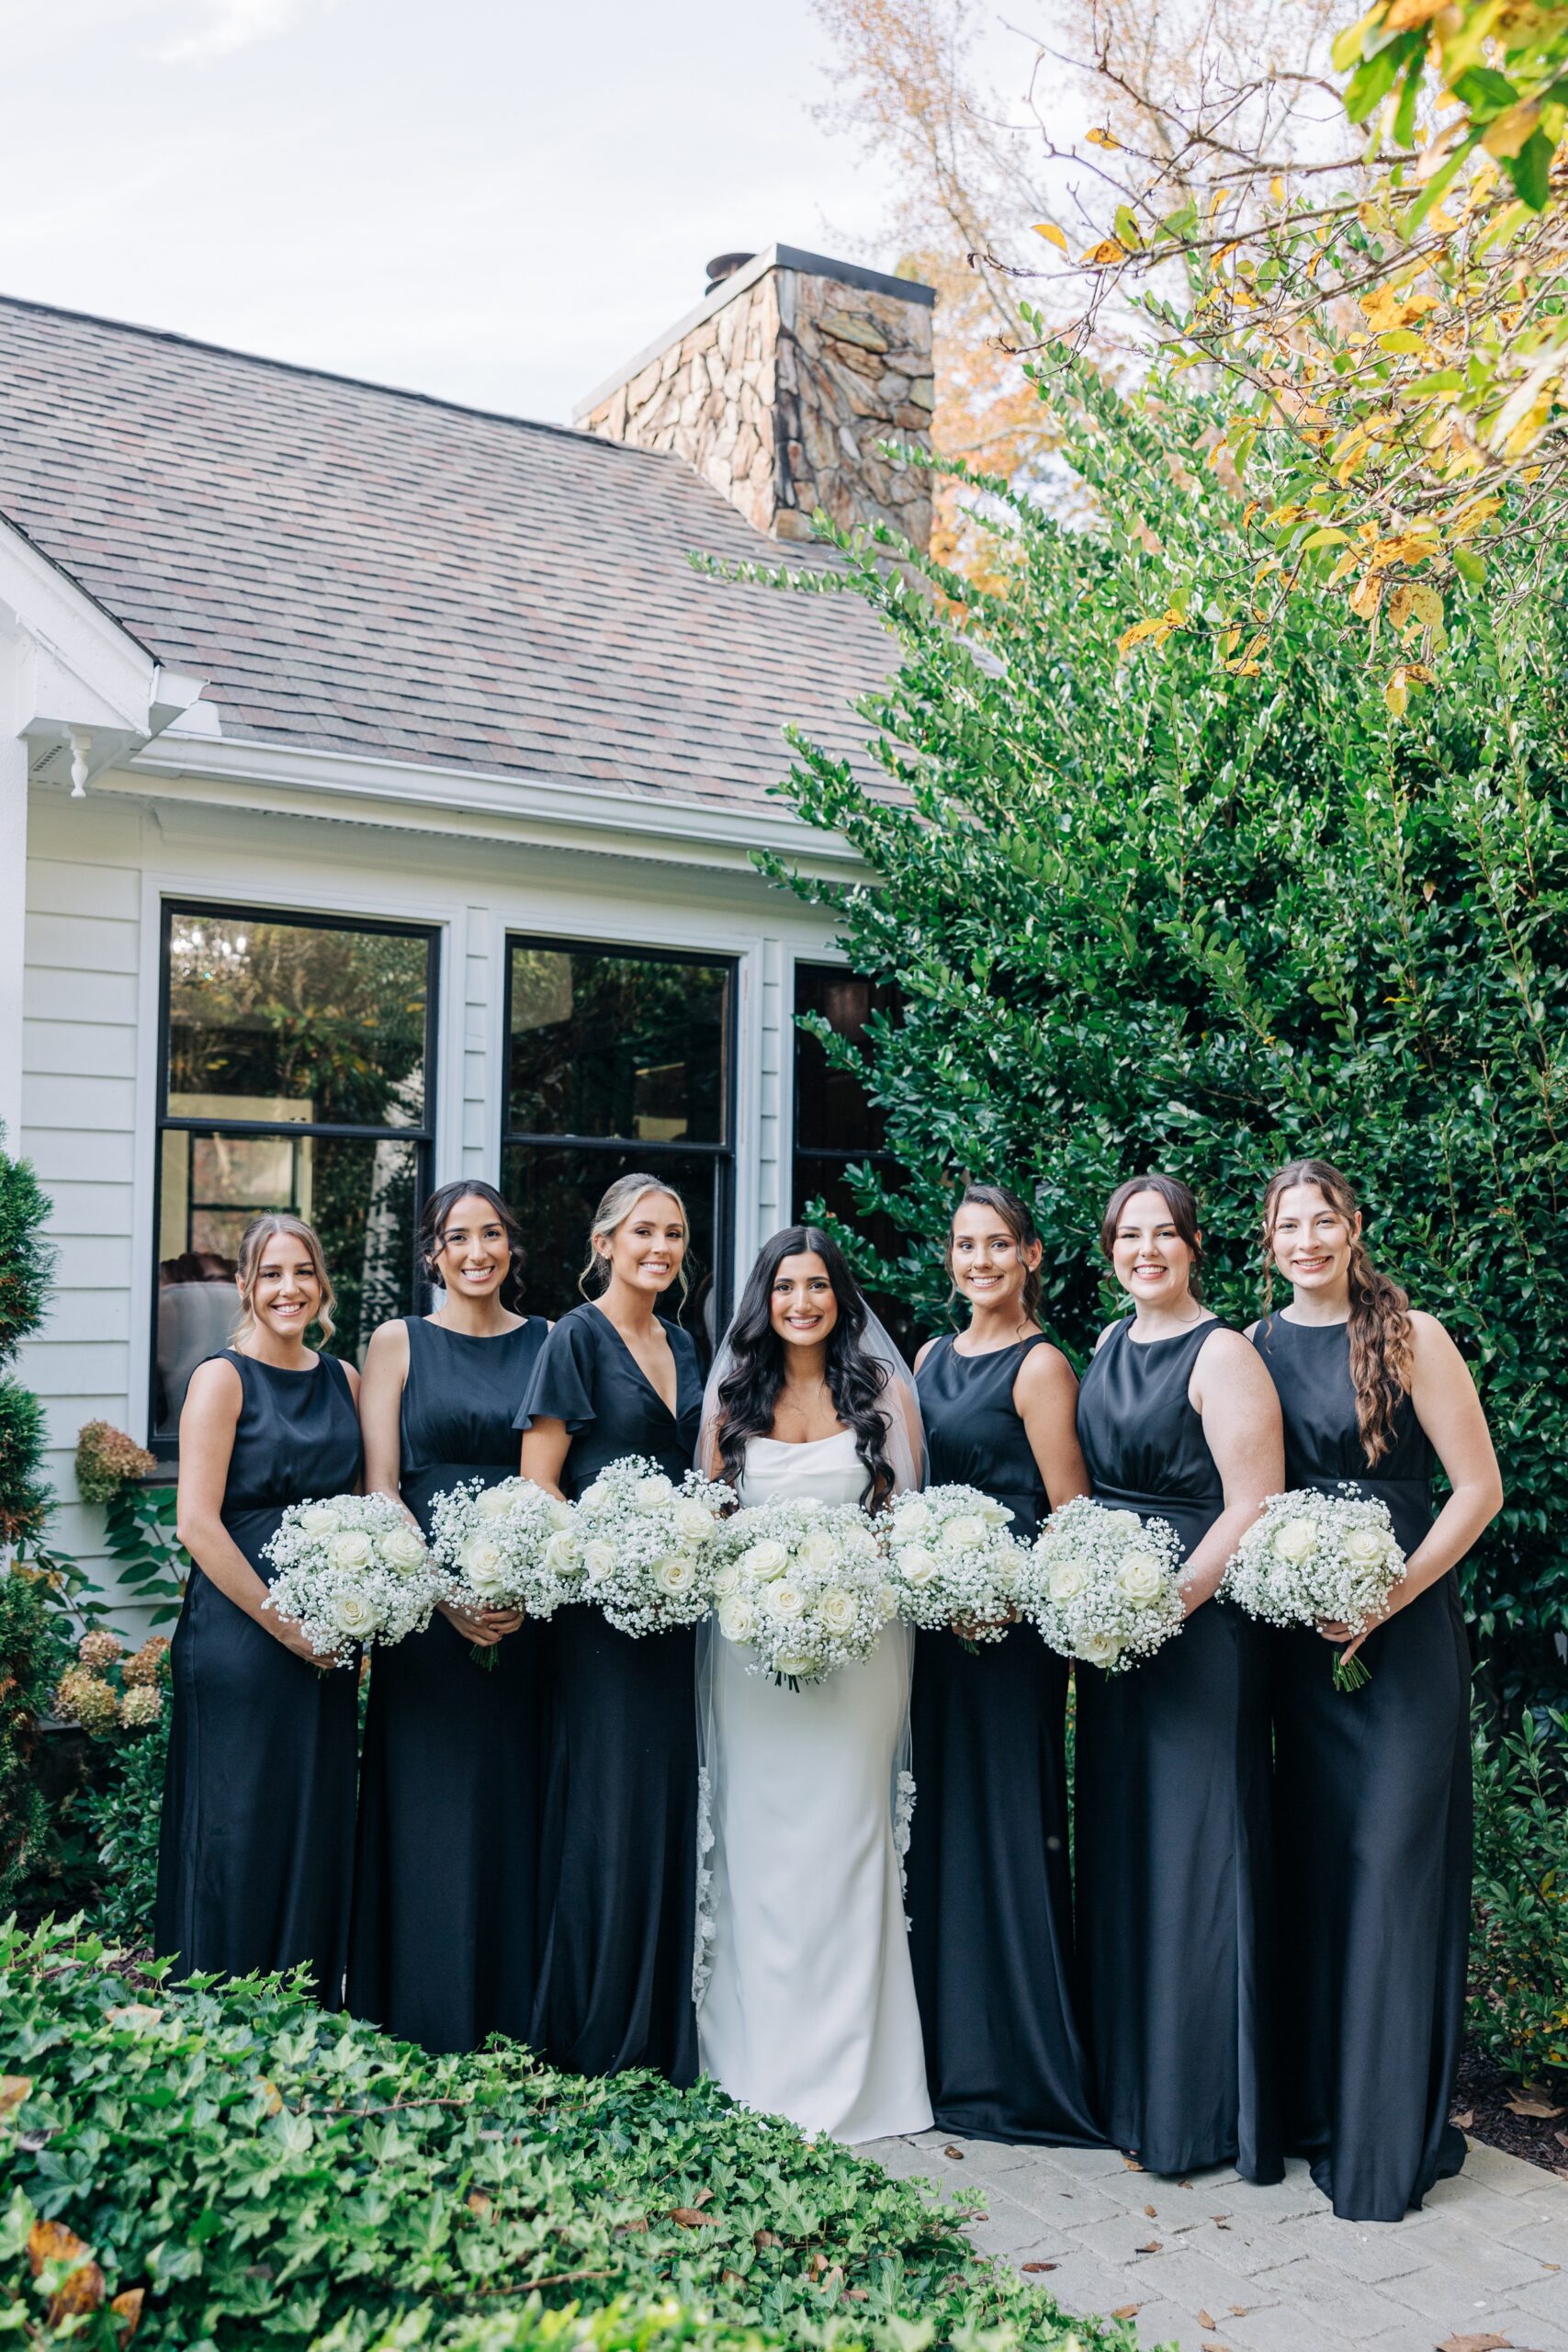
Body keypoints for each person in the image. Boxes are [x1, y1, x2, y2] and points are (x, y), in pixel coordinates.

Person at [1251, 1159, 1503, 2221]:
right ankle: (1318, 2108)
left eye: (1324, 1220)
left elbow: (1479, 1487)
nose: (1307, 1239)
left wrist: (1389, 1597)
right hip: (1303, 1648)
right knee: (1318, 1870)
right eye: (1287, 1224)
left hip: (1403, 1642)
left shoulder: (1412, 1335)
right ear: (1267, 1240)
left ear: (1354, 1226)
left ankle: (1384, 2135)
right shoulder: (1255, 1347)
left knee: (1391, 1867)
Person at [695, 1226, 932, 2143]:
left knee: (848, 1840)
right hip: (748, 1655)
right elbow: (707, 1523)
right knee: (756, 1844)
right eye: (786, 1287)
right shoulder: (731, 1398)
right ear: (765, 1299)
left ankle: (860, 2076)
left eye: (818, 1286)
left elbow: (906, 1528)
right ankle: (755, 2066)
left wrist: (845, 1585)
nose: (802, 1301)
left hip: (860, 1650)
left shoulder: (880, 1393)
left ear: (842, 1298)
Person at [1074, 1174, 1284, 2180]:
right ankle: (1132, 2089)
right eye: (1129, 1235)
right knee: (1128, 1851)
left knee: (1200, 1857)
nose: (1145, 1249)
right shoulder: (1111, 1345)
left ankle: (1201, 2112)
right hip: (1118, 1634)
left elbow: (1253, 1503)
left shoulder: (1225, 1352)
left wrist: (1167, 1605)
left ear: (1196, 1245)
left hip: (1196, 1637)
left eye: (1164, 1234)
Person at [908, 1183, 1100, 2145]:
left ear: (1030, 1255)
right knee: (939, 1826)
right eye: (963, 1245)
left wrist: (1006, 1597)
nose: (977, 1261)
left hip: (1009, 1635)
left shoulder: (1041, 1367)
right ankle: (944, 2052)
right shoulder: (930, 1357)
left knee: (1008, 1825)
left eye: (996, 1246)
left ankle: (1018, 2066)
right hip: (937, 1634)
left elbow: (1070, 1517)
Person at [347, 1182, 550, 2052]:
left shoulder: (547, 1341)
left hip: (523, 1606)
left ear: (512, 1247)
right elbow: (381, 1485)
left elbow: (554, 1477)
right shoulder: (397, 1343)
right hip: (425, 1612)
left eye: (493, 1234)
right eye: (458, 1237)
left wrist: (518, 1578)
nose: (477, 1252)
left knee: (517, 1800)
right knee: (427, 1804)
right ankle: (421, 2011)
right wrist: (440, 1593)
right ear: (432, 1252)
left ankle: (514, 2010)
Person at [516, 1173, 704, 2081]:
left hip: (678, 1612)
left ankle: (662, 2030)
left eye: (672, 1233)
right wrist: (610, 1558)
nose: (660, 1247)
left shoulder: (683, 1339)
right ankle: (596, 2035)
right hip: (600, 1618)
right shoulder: (573, 1340)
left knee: (669, 1801)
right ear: (604, 1242)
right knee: (609, 1805)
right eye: (643, 1232)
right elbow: (541, 1483)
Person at [155, 1214, 360, 2000]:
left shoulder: (343, 1379)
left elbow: (371, 1503)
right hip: (241, 1639)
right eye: (271, 1274)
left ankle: (300, 2005)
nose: (288, 1289)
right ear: (245, 1286)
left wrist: (358, 1608)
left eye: (301, 1271)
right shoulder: (222, 1378)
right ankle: (218, 2006)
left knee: (309, 1817)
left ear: (320, 1283)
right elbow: (195, 1524)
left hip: (327, 1642)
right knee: (236, 1825)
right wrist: (287, 1625)